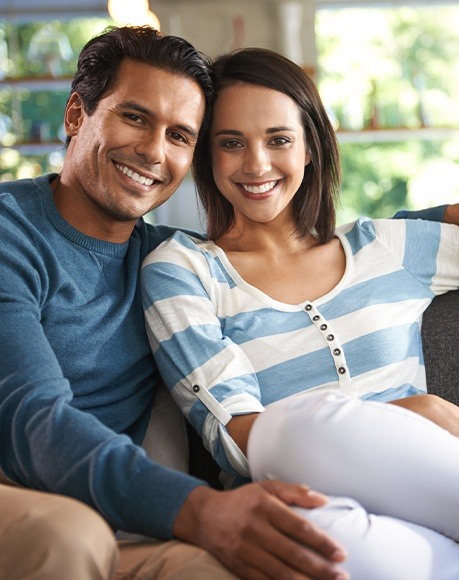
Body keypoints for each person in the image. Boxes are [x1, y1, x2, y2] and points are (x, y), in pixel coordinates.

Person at [0, 25, 362, 580]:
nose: (152, 151)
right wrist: (200, 509)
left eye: (180, 135)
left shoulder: (171, 265)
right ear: (77, 116)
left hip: (96, 512)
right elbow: (25, 420)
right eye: (135, 117)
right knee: (62, 539)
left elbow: (313, 258)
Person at [141, 46, 459, 577]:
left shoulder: (388, 246)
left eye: (279, 140)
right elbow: (239, 436)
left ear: (310, 147)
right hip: (306, 502)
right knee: (292, 441)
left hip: (426, 479)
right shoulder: (183, 271)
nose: (257, 164)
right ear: (207, 157)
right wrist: (414, 411)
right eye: (231, 143)